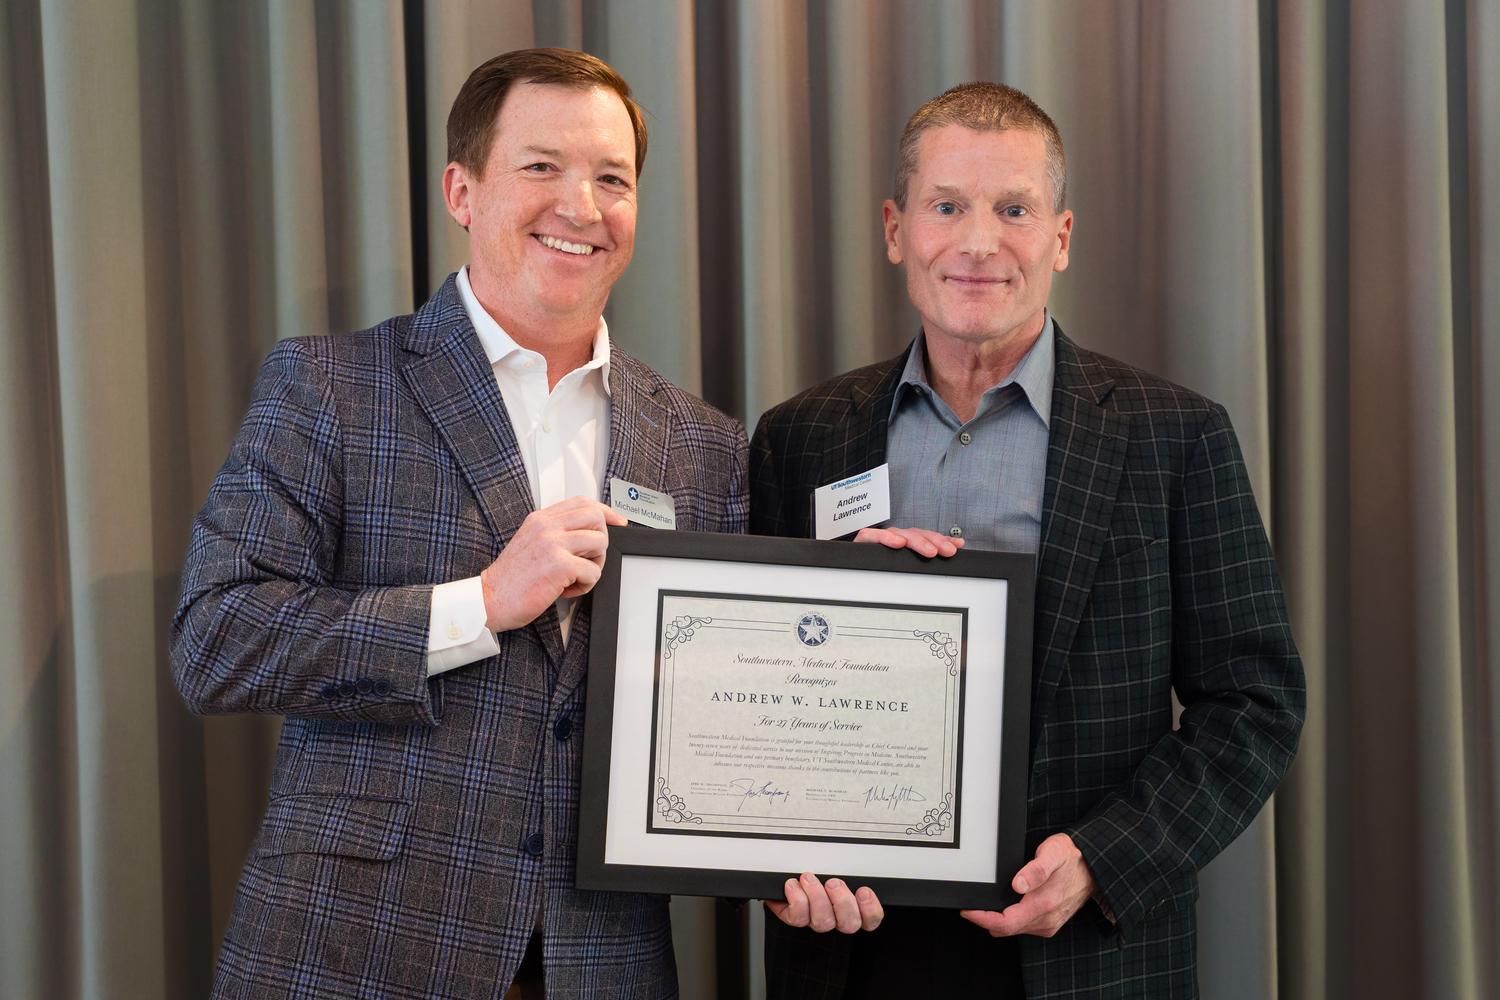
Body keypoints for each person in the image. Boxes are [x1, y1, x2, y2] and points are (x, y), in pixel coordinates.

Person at [172, 48, 747, 1000]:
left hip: (602, 965)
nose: (582, 205)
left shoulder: (705, 446)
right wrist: (479, 604)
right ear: (462, 189)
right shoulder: (329, 387)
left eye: (613, 178)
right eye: (540, 167)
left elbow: (728, 714)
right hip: (358, 953)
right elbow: (216, 641)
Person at [751, 82, 1305, 998]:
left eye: (1014, 209)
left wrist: (1102, 859)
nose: (979, 242)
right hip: (854, 955)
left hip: (1085, 949)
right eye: (947, 207)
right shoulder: (799, 437)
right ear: (896, 230)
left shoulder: (1175, 437)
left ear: (1061, 237)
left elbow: (1255, 702)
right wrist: (770, 866)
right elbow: (755, 692)